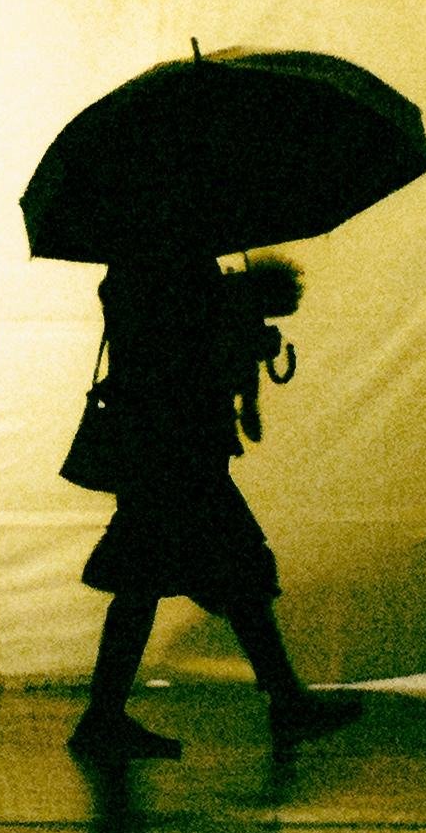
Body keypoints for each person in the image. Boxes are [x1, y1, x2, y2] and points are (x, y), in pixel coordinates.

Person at [73, 250, 358, 761]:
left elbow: (158, 351)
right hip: (178, 452)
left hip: (159, 449)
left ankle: (106, 716)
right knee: (223, 572)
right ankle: (283, 702)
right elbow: (182, 358)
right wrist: (240, 337)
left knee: (162, 579)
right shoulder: (174, 270)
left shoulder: (136, 269)